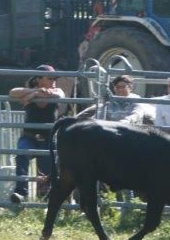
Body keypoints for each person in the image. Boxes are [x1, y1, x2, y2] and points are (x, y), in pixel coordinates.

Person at [9, 64, 65, 204]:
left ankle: (44, 199)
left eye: (55, 78)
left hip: (48, 138)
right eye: (50, 78)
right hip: (29, 136)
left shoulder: (56, 90)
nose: (53, 81)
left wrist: (34, 95)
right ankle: (21, 192)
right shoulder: (28, 90)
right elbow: (12, 92)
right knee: (22, 153)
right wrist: (34, 92)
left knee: (46, 169)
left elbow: (60, 95)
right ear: (38, 79)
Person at [77, 74, 150, 124]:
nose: (120, 89)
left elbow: (136, 114)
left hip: (131, 131)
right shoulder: (110, 101)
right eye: (117, 87)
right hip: (113, 131)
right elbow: (100, 113)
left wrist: (125, 121)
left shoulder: (137, 100)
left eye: (123, 87)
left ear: (130, 88)